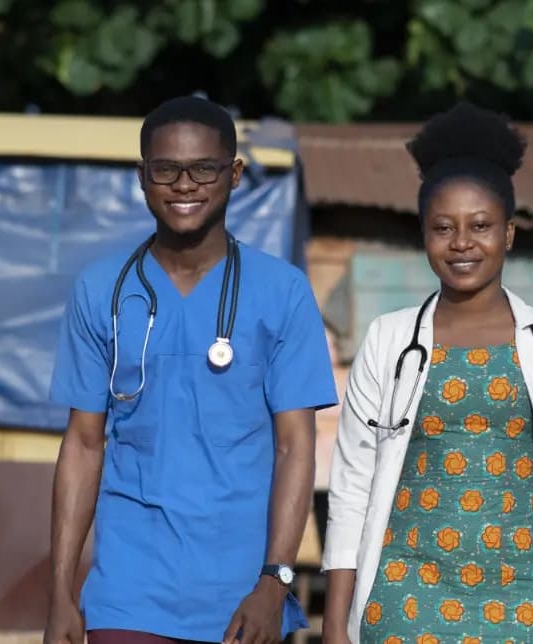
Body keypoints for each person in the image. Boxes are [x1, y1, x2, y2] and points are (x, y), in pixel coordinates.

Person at [45, 95, 338, 644]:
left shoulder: (282, 292)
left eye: (204, 168)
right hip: (128, 588)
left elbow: (295, 446)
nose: (185, 184)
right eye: (166, 169)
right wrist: (60, 590)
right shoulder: (100, 290)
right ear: (141, 177)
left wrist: (275, 580)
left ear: (234, 173)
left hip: (240, 586)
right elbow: (83, 445)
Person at [320, 102, 533, 644]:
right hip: (405, 590)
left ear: (510, 234)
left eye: (481, 226)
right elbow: (353, 485)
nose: (461, 244)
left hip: (528, 591)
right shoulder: (388, 339)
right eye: (443, 228)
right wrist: (335, 623)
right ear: (423, 235)